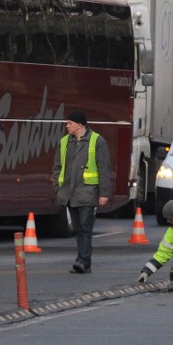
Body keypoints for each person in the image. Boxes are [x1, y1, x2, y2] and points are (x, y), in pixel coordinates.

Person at [52, 109, 112, 274]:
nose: (66, 126)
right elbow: (57, 167)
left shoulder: (97, 141)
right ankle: (84, 261)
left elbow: (104, 169)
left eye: (69, 123)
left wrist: (104, 193)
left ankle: (83, 261)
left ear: (79, 125)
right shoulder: (64, 142)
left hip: (88, 192)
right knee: (78, 228)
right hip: (70, 194)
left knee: (85, 227)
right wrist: (57, 189)